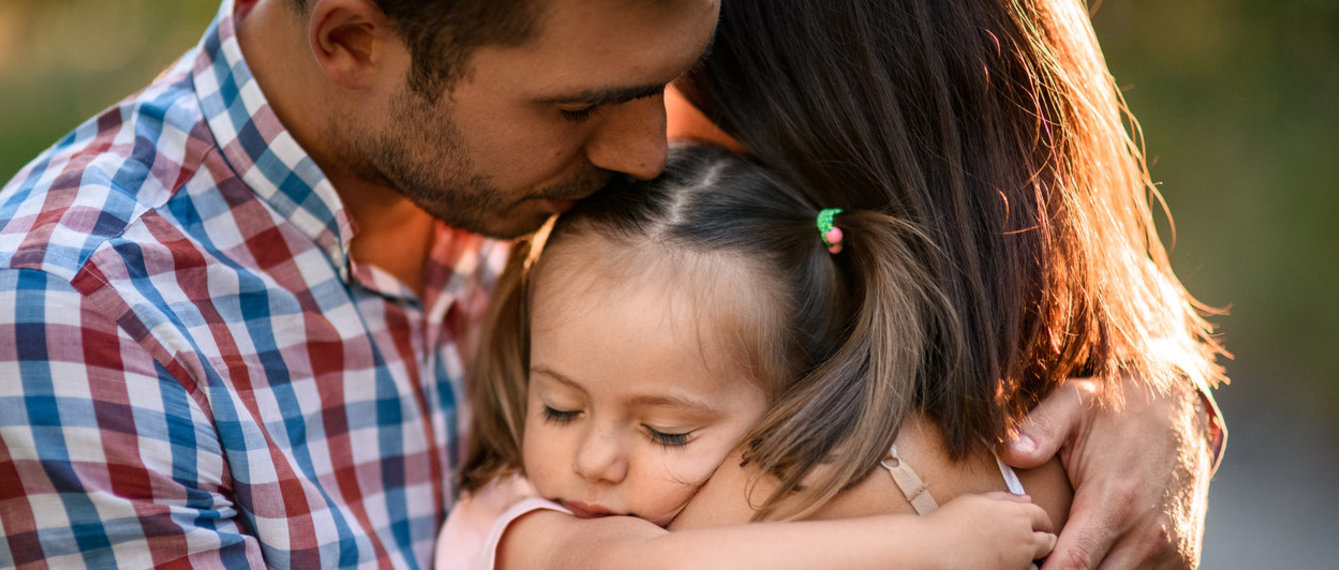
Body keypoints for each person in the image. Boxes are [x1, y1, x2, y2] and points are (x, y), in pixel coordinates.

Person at [0, 0, 1222, 567]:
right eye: (583, 105)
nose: (647, 151)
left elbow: (970, 206)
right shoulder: (86, 318)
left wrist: (1146, 383)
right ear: (353, 41)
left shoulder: (564, 136)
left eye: (660, 88)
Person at [665, 0, 1229, 567]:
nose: (655, 137)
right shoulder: (1059, 407)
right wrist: (1168, 377)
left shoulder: (774, 502)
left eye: (673, 89)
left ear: (797, 126)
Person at [442, 143, 1061, 569]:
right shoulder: (517, 517)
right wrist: (933, 549)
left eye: (666, 432)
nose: (594, 460)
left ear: (788, 404)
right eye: (559, 409)